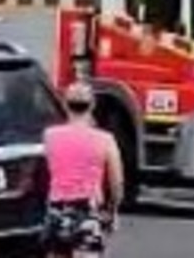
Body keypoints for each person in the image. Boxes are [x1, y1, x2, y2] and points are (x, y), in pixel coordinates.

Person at [43, 82, 125, 258]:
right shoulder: (105, 140)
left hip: (57, 211)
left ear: (65, 105)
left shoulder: (50, 136)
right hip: (87, 210)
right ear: (92, 105)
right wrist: (112, 211)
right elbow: (116, 182)